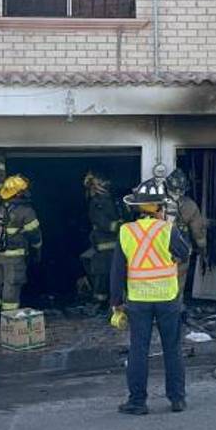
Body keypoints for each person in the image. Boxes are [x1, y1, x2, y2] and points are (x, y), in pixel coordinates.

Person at [110, 178, 191, 415]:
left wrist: (116, 301)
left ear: (137, 207)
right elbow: (184, 253)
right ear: (159, 207)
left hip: (138, 300)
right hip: (167, 298)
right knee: (172, 349)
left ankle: (137, 402)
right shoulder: (167, 229)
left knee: (138, 349)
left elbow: (117, 270)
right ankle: (177, 399)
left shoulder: (126, 231)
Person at [0, 157, 42, 319]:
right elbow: (35, 235)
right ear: (19, 192)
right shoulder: (26, 211)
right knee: (12, 285)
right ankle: (8, 317)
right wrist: (37, 250)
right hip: (15, 256)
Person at [81, 172, 122, 312]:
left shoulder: (110, 199)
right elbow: (102, 222)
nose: (106, 184)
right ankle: (99, 303)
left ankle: (114, 302)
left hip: (116, 245)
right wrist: (120, 226)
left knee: (115, 274)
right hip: (103, 245)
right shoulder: (97, 202)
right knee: (102, 275)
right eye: (102, 181)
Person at [164, 168, 208, 300]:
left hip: (158, 249)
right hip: (181, 249)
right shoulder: (190, 205)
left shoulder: (156, 202)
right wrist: (202, 249)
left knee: (158, 280)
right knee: (178, 282)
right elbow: (198, 232)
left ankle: (159, 310)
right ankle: (176, 308)